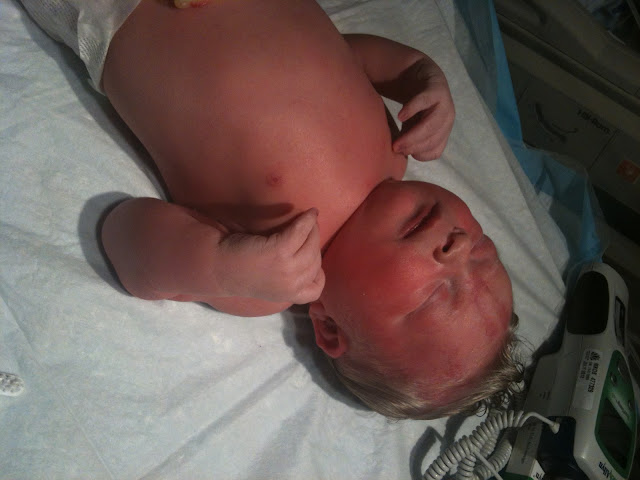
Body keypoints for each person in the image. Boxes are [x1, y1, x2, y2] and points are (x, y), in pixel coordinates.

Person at [20, 0, 523, 419]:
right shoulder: (396, 152)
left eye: (436, 295)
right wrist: (417, 75)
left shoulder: (266, 273)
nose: (459, 248)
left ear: (330, 328)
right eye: (483, 250)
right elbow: (344, 54)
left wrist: (220, 265)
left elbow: (125, 235)